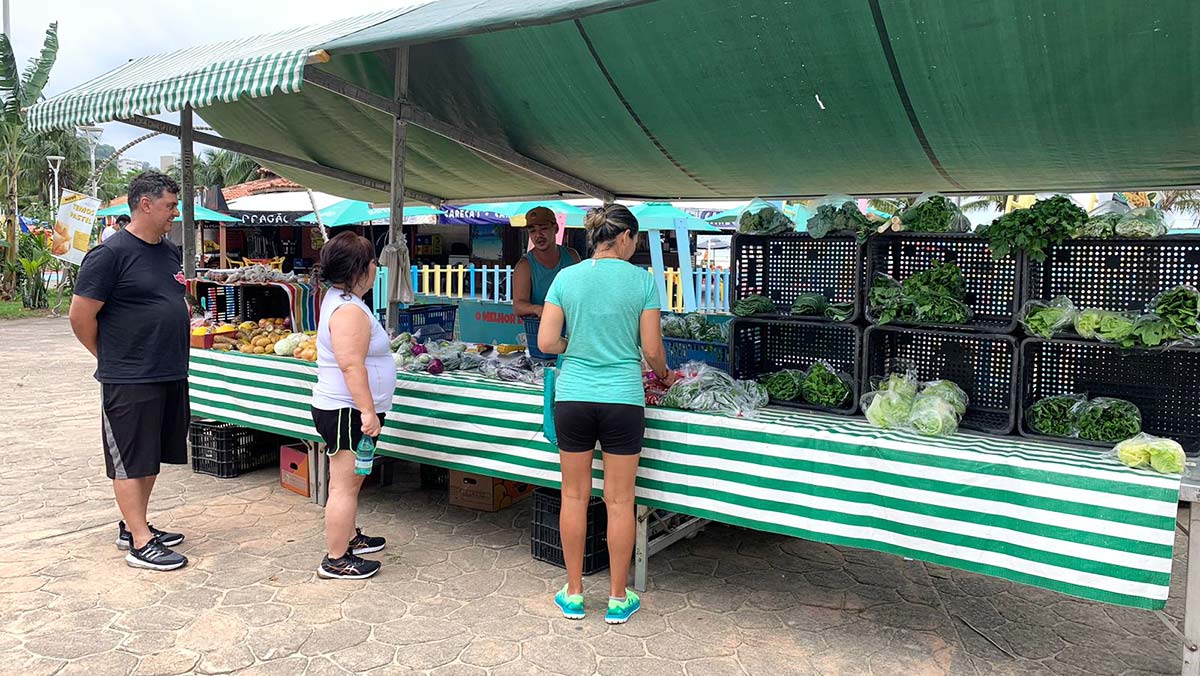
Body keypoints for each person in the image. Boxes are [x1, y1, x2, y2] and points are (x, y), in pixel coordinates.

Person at [537, 204, 676, 624]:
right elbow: (651, 350)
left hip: (574, 396)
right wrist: (665, 375)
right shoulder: (641, 282)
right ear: (626, 237)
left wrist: (575, 347)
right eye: (636, 240)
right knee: (619, 500)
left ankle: (575, 593)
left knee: (574, 497)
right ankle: (618, 597)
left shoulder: (566, 277)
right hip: (622, 399)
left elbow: (546, 341)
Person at [69, 171, 189, 571]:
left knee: (150, 454)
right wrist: (108, 355)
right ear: (145, 204)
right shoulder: (110, 254)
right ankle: (140, 543)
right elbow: (81, 316)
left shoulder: (169, 251)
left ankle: (134, 525)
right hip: (129, 375)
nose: (175, 212)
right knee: (129, 458)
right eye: (170, 205)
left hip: (168, 369)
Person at [310, 232, 392, 580]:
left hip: (346, 408)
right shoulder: (348, 311)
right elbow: (351, 365)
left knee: (352, 480)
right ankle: (336, 558)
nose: (376, 267)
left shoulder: (342, 299)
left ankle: (349, 538)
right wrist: (368, 411)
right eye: (373, 261)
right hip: (347, 410)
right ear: (360, 269)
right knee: (344, 484)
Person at [513, 206, 580, 318]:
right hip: (540, 329)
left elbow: (580, 291)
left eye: (543, 228)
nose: (538, 235)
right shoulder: (524, 266)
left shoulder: (572, 256)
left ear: (556, 228)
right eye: (532, 231)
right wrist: (538, 309)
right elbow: (518, 306)